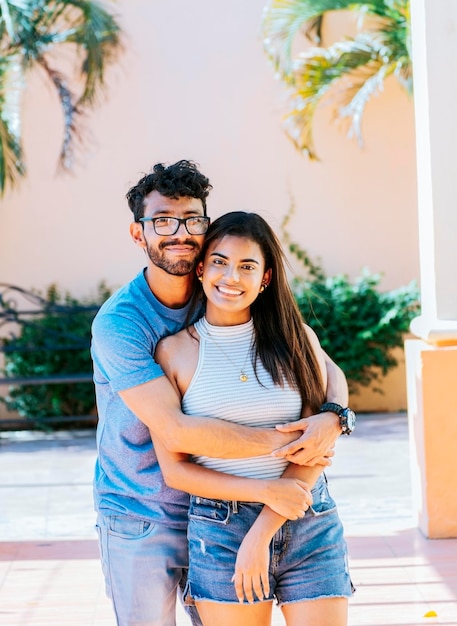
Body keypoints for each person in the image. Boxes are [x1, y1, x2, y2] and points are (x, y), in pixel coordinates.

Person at [90, 160, 352, 626]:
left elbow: (324, 366)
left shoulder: (218, 287)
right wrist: (296, 440)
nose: (180, 233)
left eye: (192, 220)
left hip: (218, 507)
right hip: (141, 510)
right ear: (139, 234)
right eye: (163, 221)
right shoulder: (121, 324)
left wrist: (333, 416)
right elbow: (175, 431)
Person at [153, 211, 354, 626]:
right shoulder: (175, 353)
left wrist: (262, 531)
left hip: (306, 518)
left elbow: (316, 445)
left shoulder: (297, 339)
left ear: (265, 279)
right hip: (221, 528)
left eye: (247, 266)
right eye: (221, 261)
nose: (231, 276)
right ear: (202, 267)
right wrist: (260, 501)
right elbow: (176, 471)